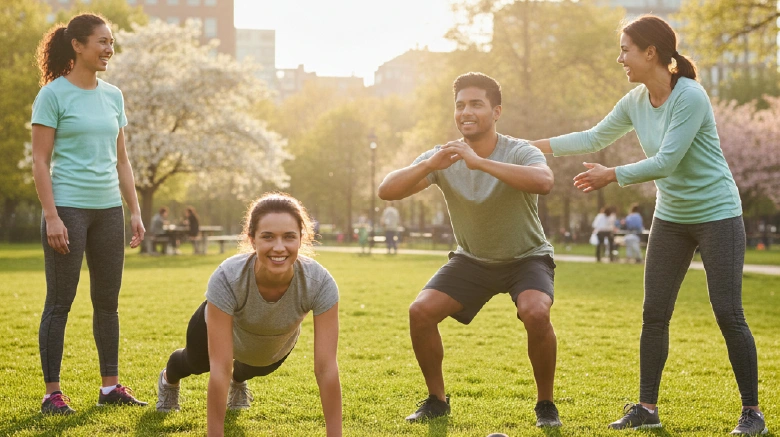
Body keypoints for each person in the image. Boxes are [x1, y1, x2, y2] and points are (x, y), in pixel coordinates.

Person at [530, 15, 766, 435]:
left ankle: (752, 413)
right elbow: (591, 138)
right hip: (672, 217)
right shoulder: (636, 101)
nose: (620, 58)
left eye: (625, 49)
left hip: (717, 214)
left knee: (729, 312)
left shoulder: (689, 97)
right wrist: (530, 147)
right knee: (653, 313)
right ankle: (647, 407)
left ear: (650, 52)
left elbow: (667, 161)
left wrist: (612, 174)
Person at [378, 72, 561, 428]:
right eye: (460, 105)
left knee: (536, 312)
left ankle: (546, 405)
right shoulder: (442, 156)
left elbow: (545, 181)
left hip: (527, 257)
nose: (466, 112)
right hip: (471, 260)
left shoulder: (519, 149)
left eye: (476, 104)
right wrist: (430, 164)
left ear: (496, 111)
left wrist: (479, 162)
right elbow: (387, 190)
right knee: (420, 312)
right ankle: (437, 400)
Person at [31, 13, 147, 415]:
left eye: (111, 42)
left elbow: (122, 162)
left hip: (108, 211)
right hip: (68, 208)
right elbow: (40, 162)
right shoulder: (53, 95)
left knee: (107, 301)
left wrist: (134, 211)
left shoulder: (113, 95)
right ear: (77, 45)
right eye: (101, 41)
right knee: (60, 301)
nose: (108, 49)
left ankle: (110, 386)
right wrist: (51, 216)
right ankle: (52, 393)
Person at [155, 193, 341, 437]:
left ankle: (239, 382)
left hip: (271, 341)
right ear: (252, 239)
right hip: (219, 326)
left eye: (288, 237)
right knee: (197, 363)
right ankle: (169, 379)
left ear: (301, 238)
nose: (278, 247)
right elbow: (220, 367)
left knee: (257, 366)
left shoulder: (320, 283)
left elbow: (326, 368)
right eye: (267, 237)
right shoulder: (228, 277)